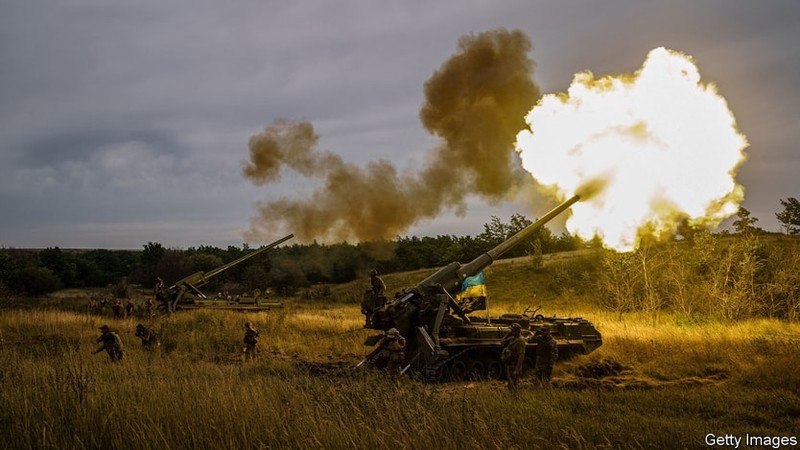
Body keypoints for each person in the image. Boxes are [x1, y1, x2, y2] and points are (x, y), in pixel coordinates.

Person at [501, 323, 526, 391]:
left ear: (516, 331)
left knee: (514, 384)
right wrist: (507, 334)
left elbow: (521, 355)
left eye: (512, 330)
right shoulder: (512, 338)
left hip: (515, 365)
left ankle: (515, 397)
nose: (511, 331)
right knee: (510, 383)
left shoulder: (520, 341)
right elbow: (502, 342)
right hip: (510, 364)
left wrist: (517, 369)